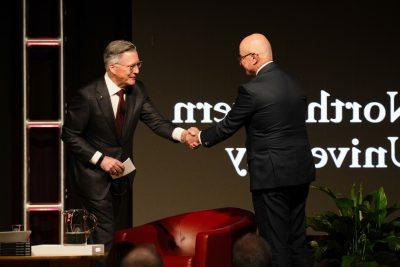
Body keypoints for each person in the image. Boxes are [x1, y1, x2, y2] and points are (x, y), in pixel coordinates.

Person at [187, 33, 315, 266]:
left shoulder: (252, 91)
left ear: (254, 57)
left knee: (275, 245)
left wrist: (201, 136)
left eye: (242, 57)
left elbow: (228, 125)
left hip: (271, 178)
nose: (240, 62)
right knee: (298, 240)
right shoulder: (294, 83)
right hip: (300, 172)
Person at [61, 40, 191, 249]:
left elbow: (156, 122)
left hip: (121, 176)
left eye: (139, 64)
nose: (137, 71)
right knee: (104, 234)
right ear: (112, 67)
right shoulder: (87, 96)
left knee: (110, 234)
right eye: (132, 66)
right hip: (93, 177)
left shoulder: (137, 91)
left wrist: (183, 135)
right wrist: (101, 159)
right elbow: (69, 134)